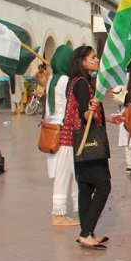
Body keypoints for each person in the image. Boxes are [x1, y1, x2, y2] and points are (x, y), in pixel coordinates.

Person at [66, 45, 110, 249]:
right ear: (83, 61)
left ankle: (87, 231)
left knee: (85, 188)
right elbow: (85, 114)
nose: (97, 59)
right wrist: (91, 108)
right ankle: (86, 232)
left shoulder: (74, 82)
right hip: (89, 142)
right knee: (103, 186)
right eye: (93, 57)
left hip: (78, 143)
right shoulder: (83, 84)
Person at [46, 45, 79, 227]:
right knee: (64, 171)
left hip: (53, 129)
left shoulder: (52, 78)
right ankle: (58, 213)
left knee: (66, 170)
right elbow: (70, 105)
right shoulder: (65, 80)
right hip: (64, 130)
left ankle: (74, 205)